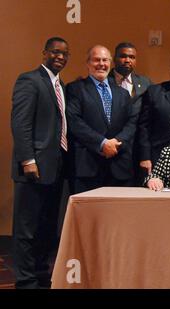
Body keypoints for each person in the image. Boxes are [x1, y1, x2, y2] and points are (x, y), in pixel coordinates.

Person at [11, 37, 70, 288]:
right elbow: (20, 123)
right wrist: (28, 160)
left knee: (46, 225)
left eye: (65, 54)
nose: (60, 57)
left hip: (55, 167)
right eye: (55, 52)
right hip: (33, 168)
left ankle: (40, 274)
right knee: (27, 229)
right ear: (44, 52)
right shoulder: (29, 80)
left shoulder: (60, 84)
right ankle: (25, 281)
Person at [66, 45, 138, 194]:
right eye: (96, 60)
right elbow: (74, 121)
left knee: (119, 215)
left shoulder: (123, 93)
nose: (101, 64)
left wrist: (116, 143)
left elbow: (131, 122)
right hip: (88, 167)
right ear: (87, 63)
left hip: (119, 167)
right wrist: (102, 143)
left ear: (110, 63)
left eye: (105, 60)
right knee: (89, 216)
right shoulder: (75, 89)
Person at [109, 42, 153, 185]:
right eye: (123, 56)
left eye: (132, 57)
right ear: (114, 58)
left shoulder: (145, 82)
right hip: (113, 148)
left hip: (137, 149)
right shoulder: (103, 81)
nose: (127, 60)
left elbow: (163, 94)